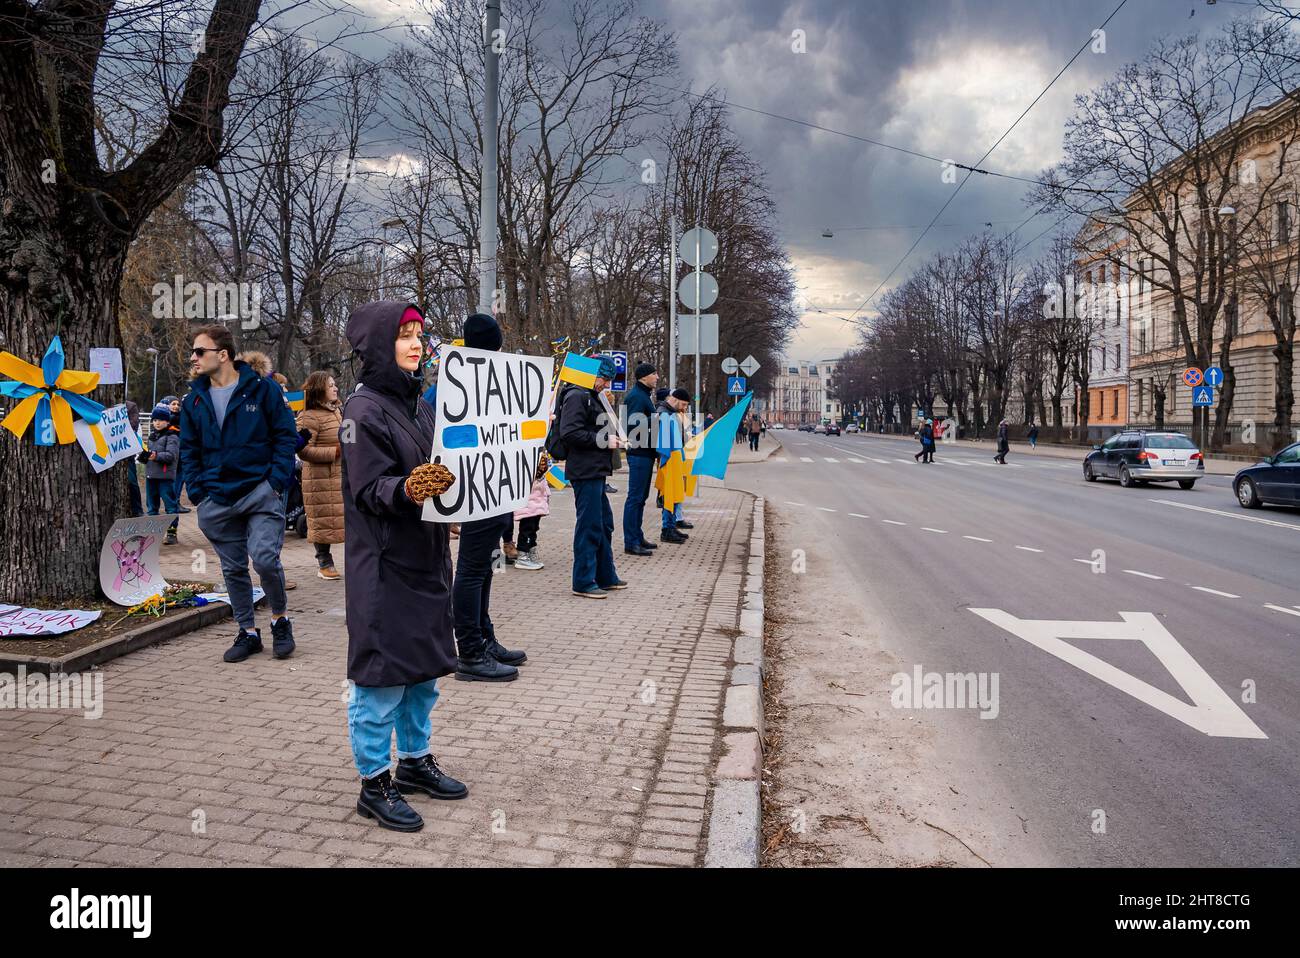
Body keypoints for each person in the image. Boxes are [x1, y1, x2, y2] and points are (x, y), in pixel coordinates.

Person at [341, 300, 467, 832]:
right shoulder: (360, 412)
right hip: (385, 565)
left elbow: (455, 462)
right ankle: (374, 782)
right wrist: (407, 487)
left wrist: (513, 463)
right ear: (377, 345)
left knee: (423, 675)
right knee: (381, 680)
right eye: (404, 335)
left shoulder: (418, 405)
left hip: (426, 559)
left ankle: (414, 762)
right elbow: (367, 488)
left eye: (420, 333)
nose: (416, 343)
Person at [180, 325, 297, 663]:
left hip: (261, 493)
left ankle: (280, 620)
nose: (193, 357)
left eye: (200, 351)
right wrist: (199, 493)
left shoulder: (263, 391)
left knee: (264, 559)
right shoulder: (194, 400)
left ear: (223, 354)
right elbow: (189, 449)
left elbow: (285, 436)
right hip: (216, 498)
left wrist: (275, 483)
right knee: (232, 569)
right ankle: (247, 632)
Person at [451, 313, 525, 680]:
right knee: (471, 571)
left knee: (484, 570)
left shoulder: (495, 379)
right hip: (477, 488)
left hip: (497, 489)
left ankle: (484, 639)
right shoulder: (462, 380)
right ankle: (469, 652)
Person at [560, 355, 626, 598]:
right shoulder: (577, 395)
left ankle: (605, 574)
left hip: (594, 469)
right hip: (585, 470)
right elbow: (570, 432)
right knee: (589, 525)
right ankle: (584, 581)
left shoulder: (589, 395)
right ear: (592, 375)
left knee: (603, 523)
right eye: (604, 379)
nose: (606, 384)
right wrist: (604, 440)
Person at [296, 371, 345, 580]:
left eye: (335, 384)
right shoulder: (307, 416)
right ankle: (324, 562)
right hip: (319, 478)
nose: (335, 388)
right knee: (323, 519)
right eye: (330, 385)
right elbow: (302, 450)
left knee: (345, 519)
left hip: (340, 475)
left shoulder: (338, 411)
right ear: (319, 390)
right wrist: (333, 452)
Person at [622, 361, 660, 557]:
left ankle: (637, 535)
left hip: (645, 454)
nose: (657, 377)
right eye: (654, 374)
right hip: (638, 454)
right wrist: (656, 422)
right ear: (644, 377)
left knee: (641, 498)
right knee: (635, 498)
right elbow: (633, 427)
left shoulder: (643, 395)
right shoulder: (637, 397)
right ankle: (631, 541)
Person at [656, 388, 691, 544]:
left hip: (675, 458)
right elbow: (664, 442)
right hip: (669, 460)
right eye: (683, 404)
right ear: (675, 399)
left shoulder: (671, 412)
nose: (684, 408)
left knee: (674, 494)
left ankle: (671, 527)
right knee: (669, 495)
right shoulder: (663, 412)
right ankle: (667, 529)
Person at [143, 403, 181, 544]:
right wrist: (144, 456)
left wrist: (155, 455)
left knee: (170, 506)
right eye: (155, 420)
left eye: (160, 420)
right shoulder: (152, 436)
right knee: (152, 507)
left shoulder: (172, 436)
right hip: (151, 475)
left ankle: (172, 533)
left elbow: (171, 456)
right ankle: (153, 534)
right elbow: (149, 453)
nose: (157, 423)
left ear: (167, 421)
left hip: (165, 477)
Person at [513, 452, 551, 570]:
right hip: (530, 502)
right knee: (527, 530)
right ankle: (523, 554)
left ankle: (530, 551)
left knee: (533, 528)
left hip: (537, 501)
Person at [123, 399, 143, 517]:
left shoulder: (130, 406)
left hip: (126, 451)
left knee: (132, 481)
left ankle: (137, 510)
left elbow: (133, 425)